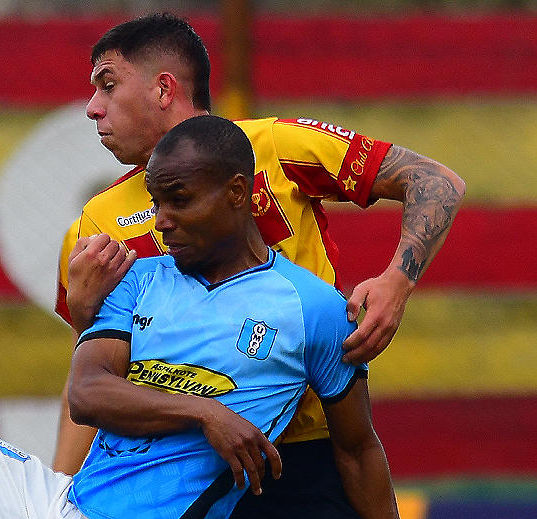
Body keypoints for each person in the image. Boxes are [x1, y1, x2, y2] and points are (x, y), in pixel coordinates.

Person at [0, 114, 400, 519]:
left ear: (237, 193)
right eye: (157, 203)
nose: (162, 221)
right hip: (68, 505)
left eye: (179, 200)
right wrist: (205, 414)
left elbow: (357, 450)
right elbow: (88, 392)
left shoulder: (317, 310)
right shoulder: (139, 279)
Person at [53, 12, 465, 518]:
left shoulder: (277, 147)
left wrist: (397, 281)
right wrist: (80, 312)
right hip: (181, 468)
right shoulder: (98, 220)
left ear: (164, 90)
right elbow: (93, 378)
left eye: (107, 86)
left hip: (311, 450)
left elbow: (435, 181)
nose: (92, 109)